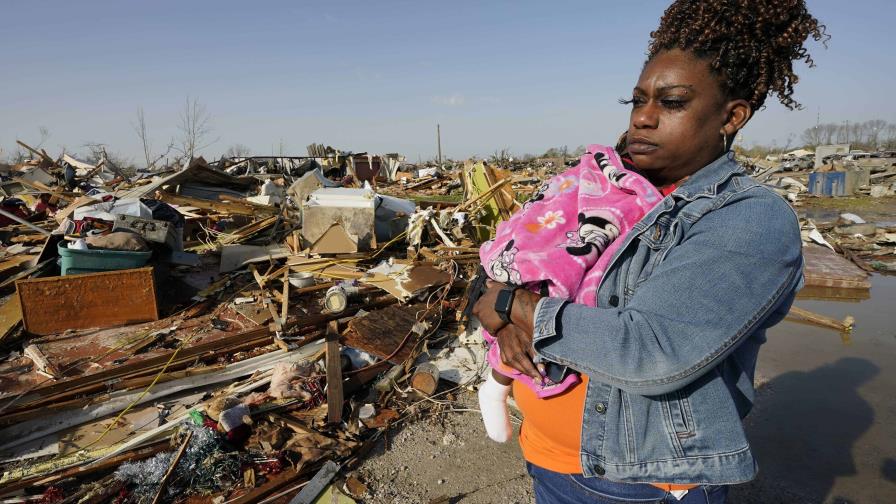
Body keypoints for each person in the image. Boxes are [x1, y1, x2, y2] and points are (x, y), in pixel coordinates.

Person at [472, 0, 826, 502]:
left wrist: (515, 306)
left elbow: (651, 352)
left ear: (732, 116)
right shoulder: (598, 191)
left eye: (673, 103)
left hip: (643, 482)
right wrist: (504, 320)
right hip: (547, 460)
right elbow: (506, 257)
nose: (643, 118)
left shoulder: (748, 219)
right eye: (636, 101)